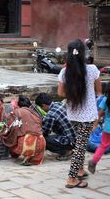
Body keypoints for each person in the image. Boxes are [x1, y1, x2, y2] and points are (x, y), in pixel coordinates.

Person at [58, 39, 102, 189]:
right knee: (80, 146)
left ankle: (80, 170)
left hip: (72, 113)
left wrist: (73, 94)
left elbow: (60, 93)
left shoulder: (65, 72)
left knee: (80, 142)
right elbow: (99, 91)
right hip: (88, 114)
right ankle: (71, 178)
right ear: (83, 53)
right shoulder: (92, 70)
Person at [1, 95, 46, 166]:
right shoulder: (35, 113)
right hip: (41, 143)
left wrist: (2, 133)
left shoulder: (16, 112)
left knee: (10, 137)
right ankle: (31, 157)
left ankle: (25, 154)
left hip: (27, 143)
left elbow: (10, 128)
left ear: (19, 104)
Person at [35, 93, 76, 160]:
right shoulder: (59, 104)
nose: (42, 109)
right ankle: (67, 149)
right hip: (76, 137)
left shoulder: (51, 114)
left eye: (41, 107)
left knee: (43, 139)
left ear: (43, 105)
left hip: (70, 141)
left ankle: (66, 152)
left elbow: (45, 132)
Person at [88, 82, 110, 174]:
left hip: (107, 127)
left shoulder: (106, 99)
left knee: (103, 145)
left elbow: (100, 114)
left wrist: (94, 125)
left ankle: (93, 162)